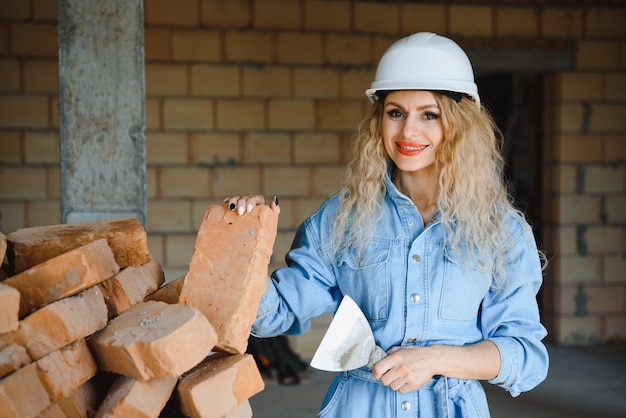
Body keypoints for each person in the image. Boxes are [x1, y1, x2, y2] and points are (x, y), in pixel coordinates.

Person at [224, 32, 549, 417]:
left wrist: (436, 359)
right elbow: (272, 315)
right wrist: (246, 245)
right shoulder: (340, 220)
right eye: (396, 112)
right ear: (379, 120)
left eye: (430, 115)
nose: (409, 131)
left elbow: (525, 356)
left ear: (459, 126)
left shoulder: (502, 231)